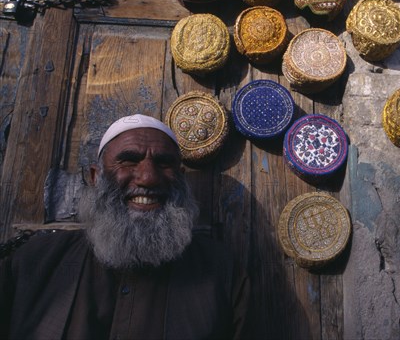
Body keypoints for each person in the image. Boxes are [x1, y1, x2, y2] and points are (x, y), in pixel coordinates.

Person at [0, 114, 248, 340]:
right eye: (128, 161)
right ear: (96, 177)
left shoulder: (222, 273)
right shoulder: (31, 262)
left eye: (163, 163)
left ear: (180, 177)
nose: (148, 177)